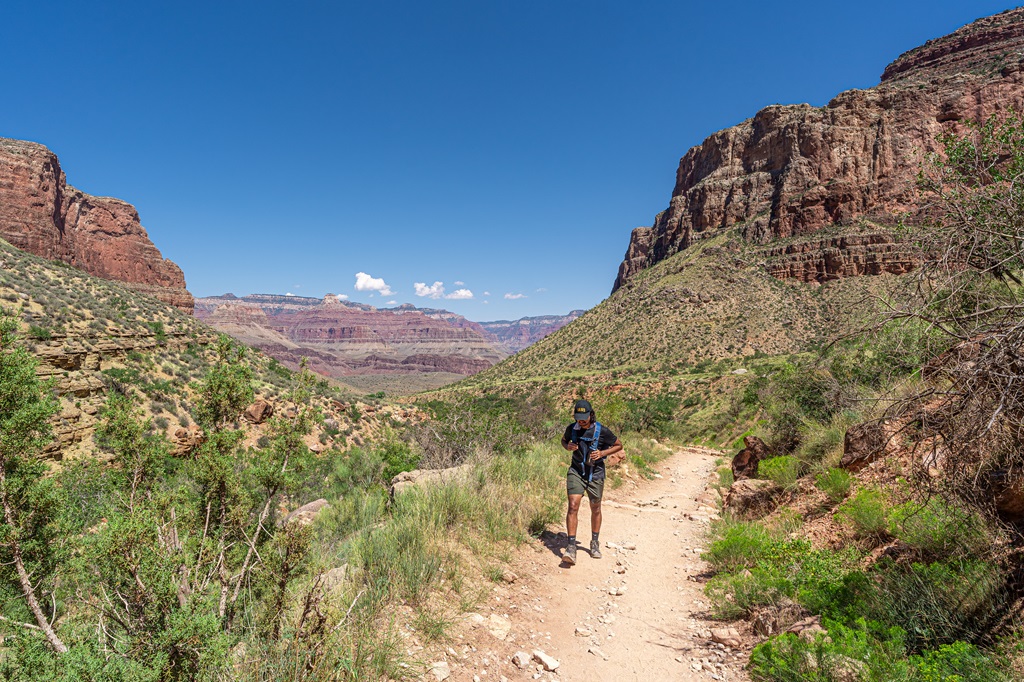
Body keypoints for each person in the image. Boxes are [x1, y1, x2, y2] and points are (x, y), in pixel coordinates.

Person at [560, 399, 622, 565]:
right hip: (576, 471)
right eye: (578, 417)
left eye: (584, 417)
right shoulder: (572, 429)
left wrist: (602, 453)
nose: (581, 420)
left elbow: (618, 445)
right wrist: (568, 447)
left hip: (596, 473)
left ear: (591, 415)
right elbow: (563, 440)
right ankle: (571, 547)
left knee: (595, 508)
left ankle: (594, 543)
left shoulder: (602, 431)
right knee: (573, 505)